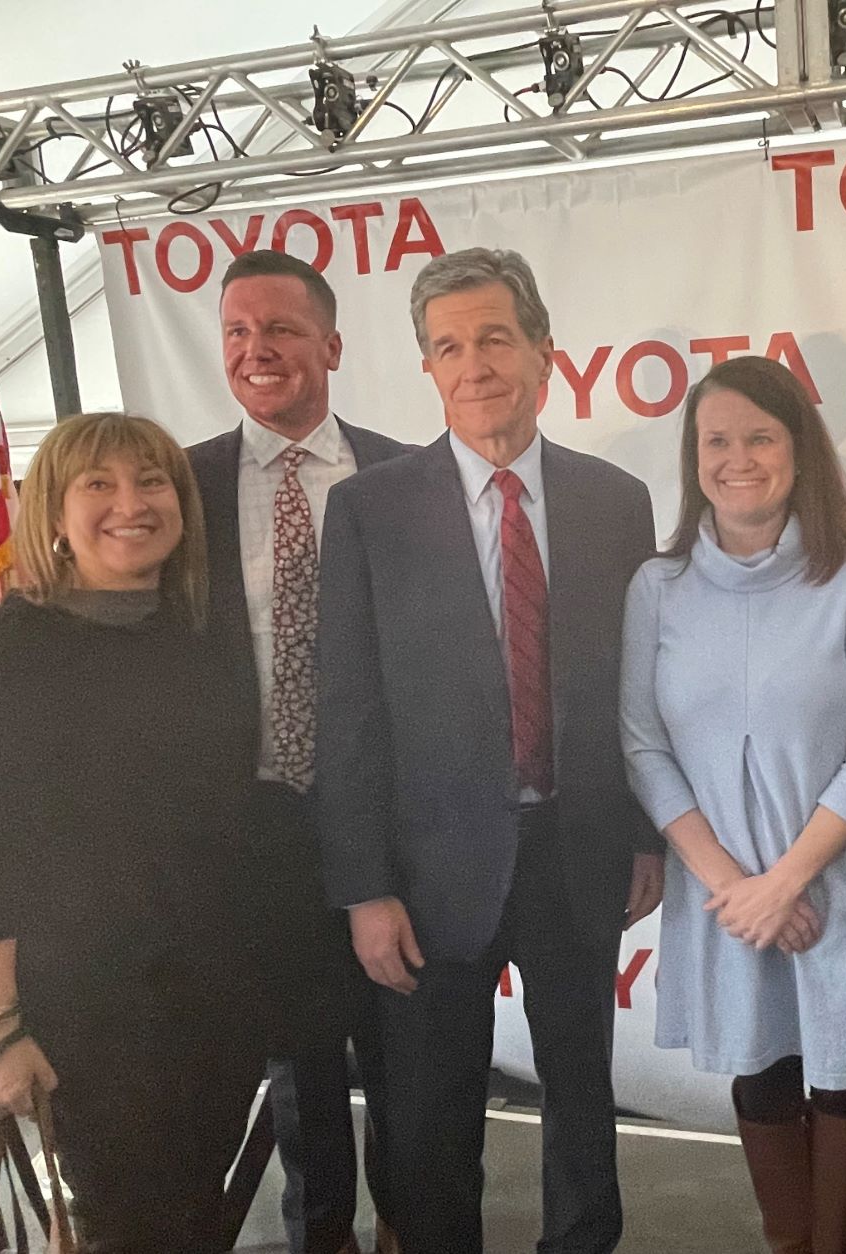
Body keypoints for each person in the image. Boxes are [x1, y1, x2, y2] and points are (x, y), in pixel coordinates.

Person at [314, 247, 664, 1254]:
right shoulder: (370, 509)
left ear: (544, 352)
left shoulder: (614, 501)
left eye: (495, 339)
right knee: (428, 1125)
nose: (474, 365)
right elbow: (350, 713)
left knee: (583, 1105)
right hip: (426, 876)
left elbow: (629, 688)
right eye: (447, 347)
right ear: (428, 369)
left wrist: (643, 833)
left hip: (576, 849)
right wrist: (365, 889)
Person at [0, 412, 266, 1253]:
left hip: (210, 1000)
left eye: (152, 482)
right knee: (135, 1224)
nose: (131, 503)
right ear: (56, 515)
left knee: (190, 1215)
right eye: (98, 485)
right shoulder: (13, 651)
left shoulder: (193, 638)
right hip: (92, 1013)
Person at [620, 356, 846, 1254]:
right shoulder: (659, 587)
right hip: (721, 893)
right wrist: (736, 888)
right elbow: (643, 746)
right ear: (693, 457)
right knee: (761, 1075)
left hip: (833, 882)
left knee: (840, 1080)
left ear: (799, 448)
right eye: (716, 439)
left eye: (760, 435)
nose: (738, 456)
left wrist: (787, 880)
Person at [189, 248, 408, 1254]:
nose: (256, 349)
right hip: (260, 836)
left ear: (330, 342)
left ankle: (420, 1227)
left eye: (278, 328)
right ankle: (324, 1239)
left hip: (397, 831)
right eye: (237, 331)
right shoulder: (182, 489)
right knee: (302, 1075)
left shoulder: (409, 478)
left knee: (413, 1064)